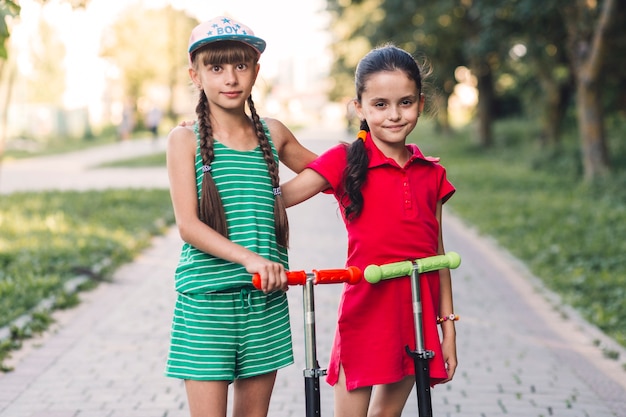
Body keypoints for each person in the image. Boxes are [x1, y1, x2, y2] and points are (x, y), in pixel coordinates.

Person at [281, 44, 458, 417]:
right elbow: (280, 198)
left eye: (405, 102)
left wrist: (449, 329)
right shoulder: (346, 160)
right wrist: (245, 141)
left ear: (420, 103)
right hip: (365, 312)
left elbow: (438, 258)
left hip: (415, 310)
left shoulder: (432, 173)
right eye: (380, 104)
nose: (394, 115)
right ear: (359, 107)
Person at [164, 16, 317, 417]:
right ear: (195, 75)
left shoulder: (273, 133)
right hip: (207, 305)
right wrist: (249, 258)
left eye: (240, 66)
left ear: (256, 71)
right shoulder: (184, 140)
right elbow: (188, 225)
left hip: (264, 304)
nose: (230, 78)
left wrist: (367, 140)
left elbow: (329, 173)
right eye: (216, 67)